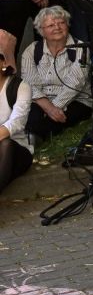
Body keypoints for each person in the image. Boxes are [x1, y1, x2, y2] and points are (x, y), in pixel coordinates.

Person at [21, 6, 93, 140]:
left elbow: (75, 84)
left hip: (75, 99)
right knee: (29, 116)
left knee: (46, 122)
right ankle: (34, 137)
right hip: (41, 100)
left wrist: (54, 108)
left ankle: (37, 136)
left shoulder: (81, 48)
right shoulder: (32, 50)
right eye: (50, 25)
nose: (57, 27)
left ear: (68, 25)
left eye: (61, 23)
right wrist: (47, 107)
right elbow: (29, 83)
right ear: (41, 31)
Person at [0, 54, 33, 194]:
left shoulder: (20, 86)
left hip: (16, 150)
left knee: (5, 144)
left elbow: (17, 121)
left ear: (2, 63)